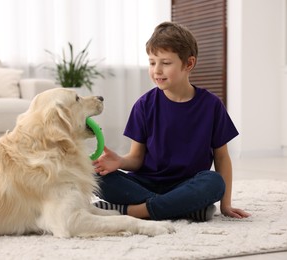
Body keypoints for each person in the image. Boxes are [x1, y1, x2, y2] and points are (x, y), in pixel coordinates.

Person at [93, 21, 250, 222]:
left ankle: (134, 211)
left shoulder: (211, 105)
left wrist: (226, 205)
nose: (157, 70)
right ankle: (184, 208)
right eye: (152, 62)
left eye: (165, 63)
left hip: (187, 184)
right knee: (94, 174)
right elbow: (137, 158)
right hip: (145, 184)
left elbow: (221, 158)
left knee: (213, 182)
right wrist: (120, 162)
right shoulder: (144, 105)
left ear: (189, 64)